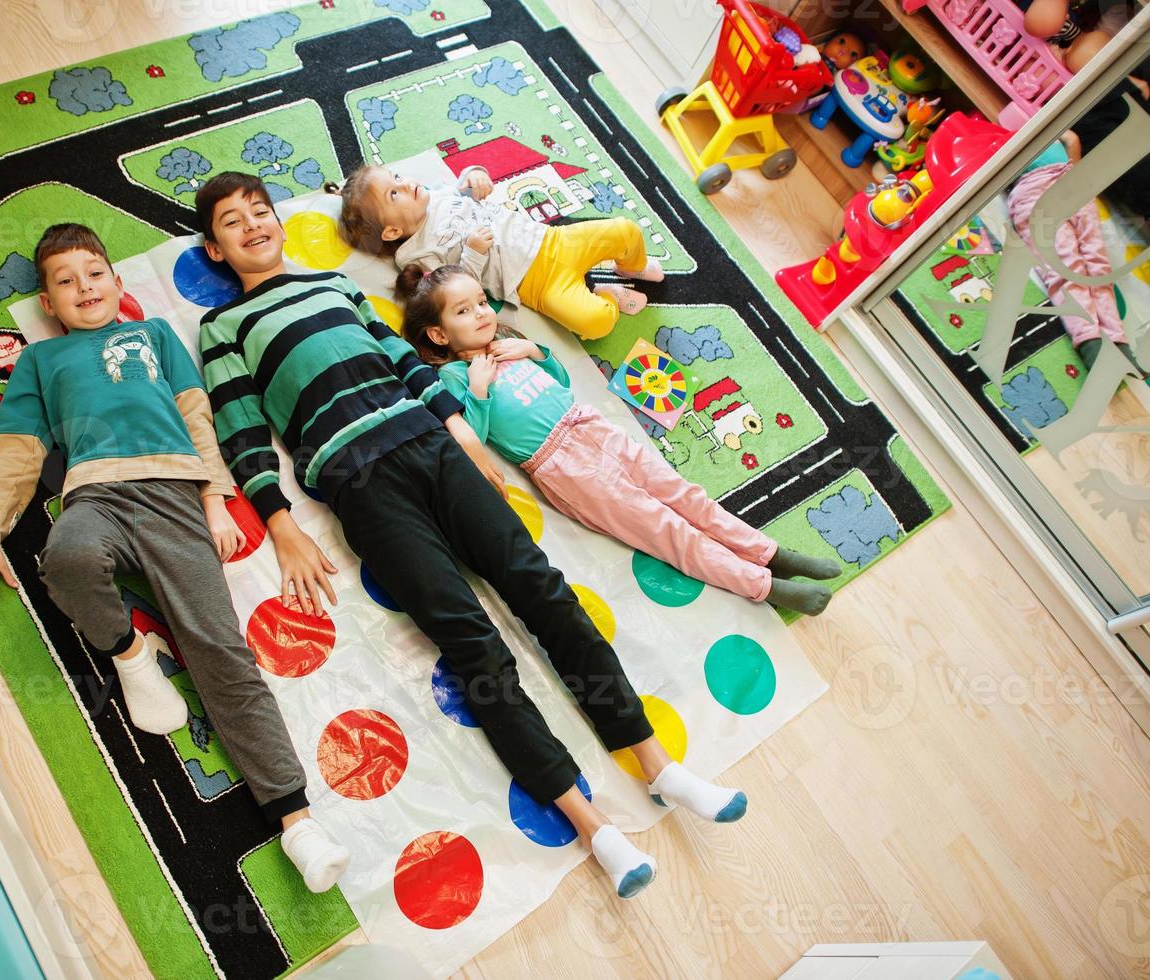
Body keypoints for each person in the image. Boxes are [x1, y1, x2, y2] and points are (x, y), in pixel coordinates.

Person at [195, 173, 750, 900]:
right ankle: (593, 827)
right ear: (214, 248)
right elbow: (239, 427)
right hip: (359, 483)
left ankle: (658, 766)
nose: (254, 227)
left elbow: (403, 360)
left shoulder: (333, 284)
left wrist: (461, 430)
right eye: (234, 223)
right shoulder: (221, 327)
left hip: (430, 442)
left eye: (260, 213)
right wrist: (279, 521)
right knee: (473, 645)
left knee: (542, 592)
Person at [0, 223, 350, 892]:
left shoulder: (155, 337)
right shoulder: (41, 363)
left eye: (93, 272)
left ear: (117, 282)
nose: (83, 288)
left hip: (174, 497)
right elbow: (17, 452)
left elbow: (199, 420)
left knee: (219, 649)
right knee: (65, 557)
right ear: (47, 303)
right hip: (95, 495)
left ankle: (296, 822)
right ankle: (131, 657)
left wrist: (214, 500)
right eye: (65, 281)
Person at [399, 264, 840, 616]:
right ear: (438, 335)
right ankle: (763, 585)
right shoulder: (452, 377)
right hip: (561, 464)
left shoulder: (508, 342)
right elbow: (469, 438)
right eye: (464, 311)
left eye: (481, 302)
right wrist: (477, 390)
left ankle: (769, 552)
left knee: (684, 495)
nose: (481, 313)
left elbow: (561, 384)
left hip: (587, 423)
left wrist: (536, 352)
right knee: (663, 528)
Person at [330, 163, 665, 341]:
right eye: (393, 194)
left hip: (551, 239)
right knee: (595, 322)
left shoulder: (438, 195)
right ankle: (606, 295)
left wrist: (476, 174)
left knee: (626, 230)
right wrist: (473, 252)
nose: (405, 184)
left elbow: (468, 182)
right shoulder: (415, 256)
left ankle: (630, 267)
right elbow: (459, 293)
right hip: (535, 283)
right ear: (392, 231)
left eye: (398, 176)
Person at [1006, 132, 1142, 372]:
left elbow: (1073, 140)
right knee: (1065, 265)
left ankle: (1118, 343)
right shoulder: (1011, 135)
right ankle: (1090, 342)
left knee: (1098, 266)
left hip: (1070, 180)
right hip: (1034, 188)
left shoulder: (1054, 126)